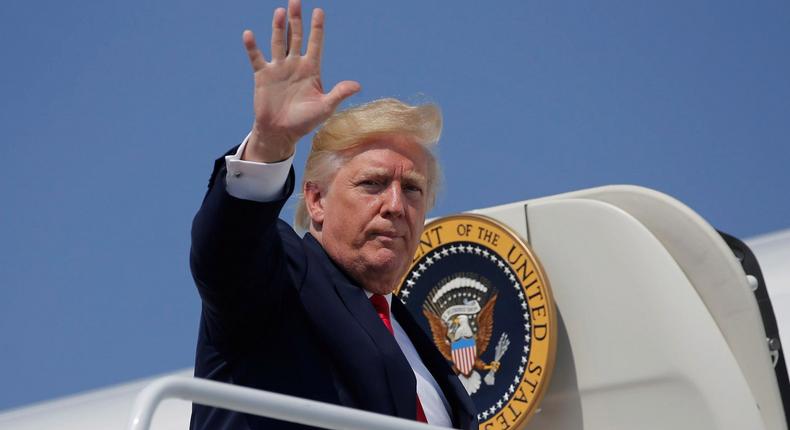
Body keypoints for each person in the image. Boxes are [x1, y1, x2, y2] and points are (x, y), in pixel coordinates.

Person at [189, 1, 476, 429]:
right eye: (373, 184)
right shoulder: (281, 277)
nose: (396, 206)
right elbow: (226, 250)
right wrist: (270, 144)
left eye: (412, 189)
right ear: (317, 200)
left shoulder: (424, 351)